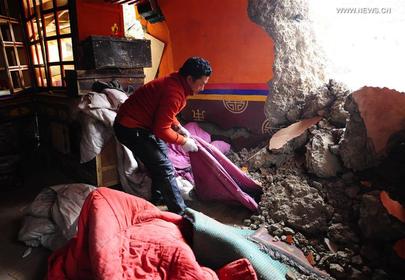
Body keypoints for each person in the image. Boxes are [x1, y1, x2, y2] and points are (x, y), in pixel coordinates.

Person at [113, 57, 212, 215]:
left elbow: (164, 112)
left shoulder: (177, 83)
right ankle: (180, 213)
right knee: (164, 166)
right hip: (129, 128)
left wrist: (178, 127)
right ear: (189, 79)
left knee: (162, 158)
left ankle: (158, 198)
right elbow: (161, 130)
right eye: (201, 83)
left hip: (144, 125)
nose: (203, 88)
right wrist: (183, 141)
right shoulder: (174, 92)